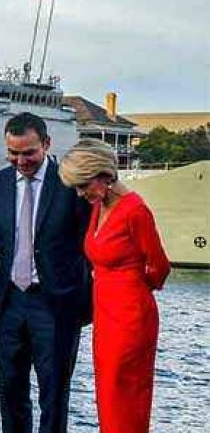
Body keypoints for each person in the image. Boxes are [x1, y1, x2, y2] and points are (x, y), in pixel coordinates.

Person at [0, 113, 91, 433]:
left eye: (28, 153)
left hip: (55, 305)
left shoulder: (70, 184)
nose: (21, 161)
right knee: (10, 391)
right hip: (10, 303)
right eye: (13, 153)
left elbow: (87, 242)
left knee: (53, 394)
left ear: (46, 144)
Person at [58, 139, 169, 433]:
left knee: (125, 392)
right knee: (107, 391)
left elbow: (160, 266)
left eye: (83, 185)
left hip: (130, 315)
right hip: (105, 314)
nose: (80, 193)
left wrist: (131, 285)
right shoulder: (100, 205)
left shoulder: (135, 210)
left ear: (104, 175)